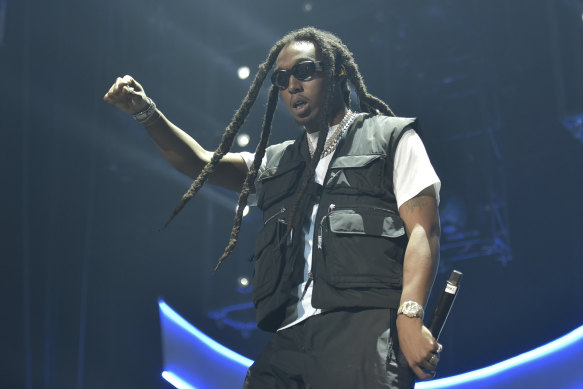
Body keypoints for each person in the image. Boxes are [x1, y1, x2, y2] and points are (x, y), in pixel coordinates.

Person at [104, 27, 442, 389]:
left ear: (337, 71)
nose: (291, 85)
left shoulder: (390, 137)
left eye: (304, 71)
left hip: (362, 326)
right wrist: (146, 113)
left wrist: (409, 316)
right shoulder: (276, 162)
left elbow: (424, 229)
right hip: (291, 337)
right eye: (281, 79)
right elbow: (198, 162)